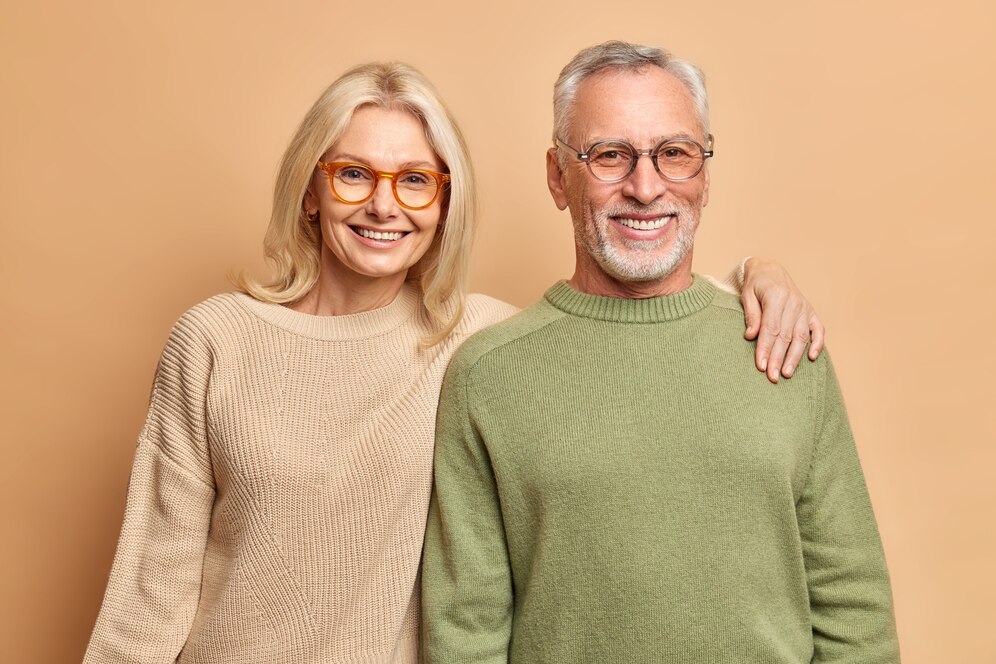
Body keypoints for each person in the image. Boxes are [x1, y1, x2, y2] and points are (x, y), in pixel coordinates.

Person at [84, 61, 826, 663]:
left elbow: (626, 324)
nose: (384, 206)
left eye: (415, 180)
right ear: (310, 191)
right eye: (353, 174)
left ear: (444, 203)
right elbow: (150, 588)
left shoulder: (479, 341)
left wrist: (757, 277)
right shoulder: (214, 340)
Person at [421, 41, 900, 664]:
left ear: (705, 174)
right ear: (558, 176)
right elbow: (466, 631)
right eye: (609, 155)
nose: (645, 188)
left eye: (674, 153)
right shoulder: (487, 375)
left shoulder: (784, 342)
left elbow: (852, 605)